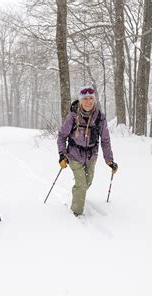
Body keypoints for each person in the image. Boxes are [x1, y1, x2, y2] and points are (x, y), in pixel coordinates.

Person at [57, 86, 118, 217]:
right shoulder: (73, 116)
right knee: (81, 184)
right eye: (85, 99)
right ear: (80, 100)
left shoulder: (100, 118)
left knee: (87, 182)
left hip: (91, 156)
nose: (88, 102)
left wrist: (109, 160)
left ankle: (77, 194)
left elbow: (105, 140)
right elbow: (62, 136)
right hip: (74, 155)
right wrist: (62, 155)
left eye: (91, 98)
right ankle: (76, 213)